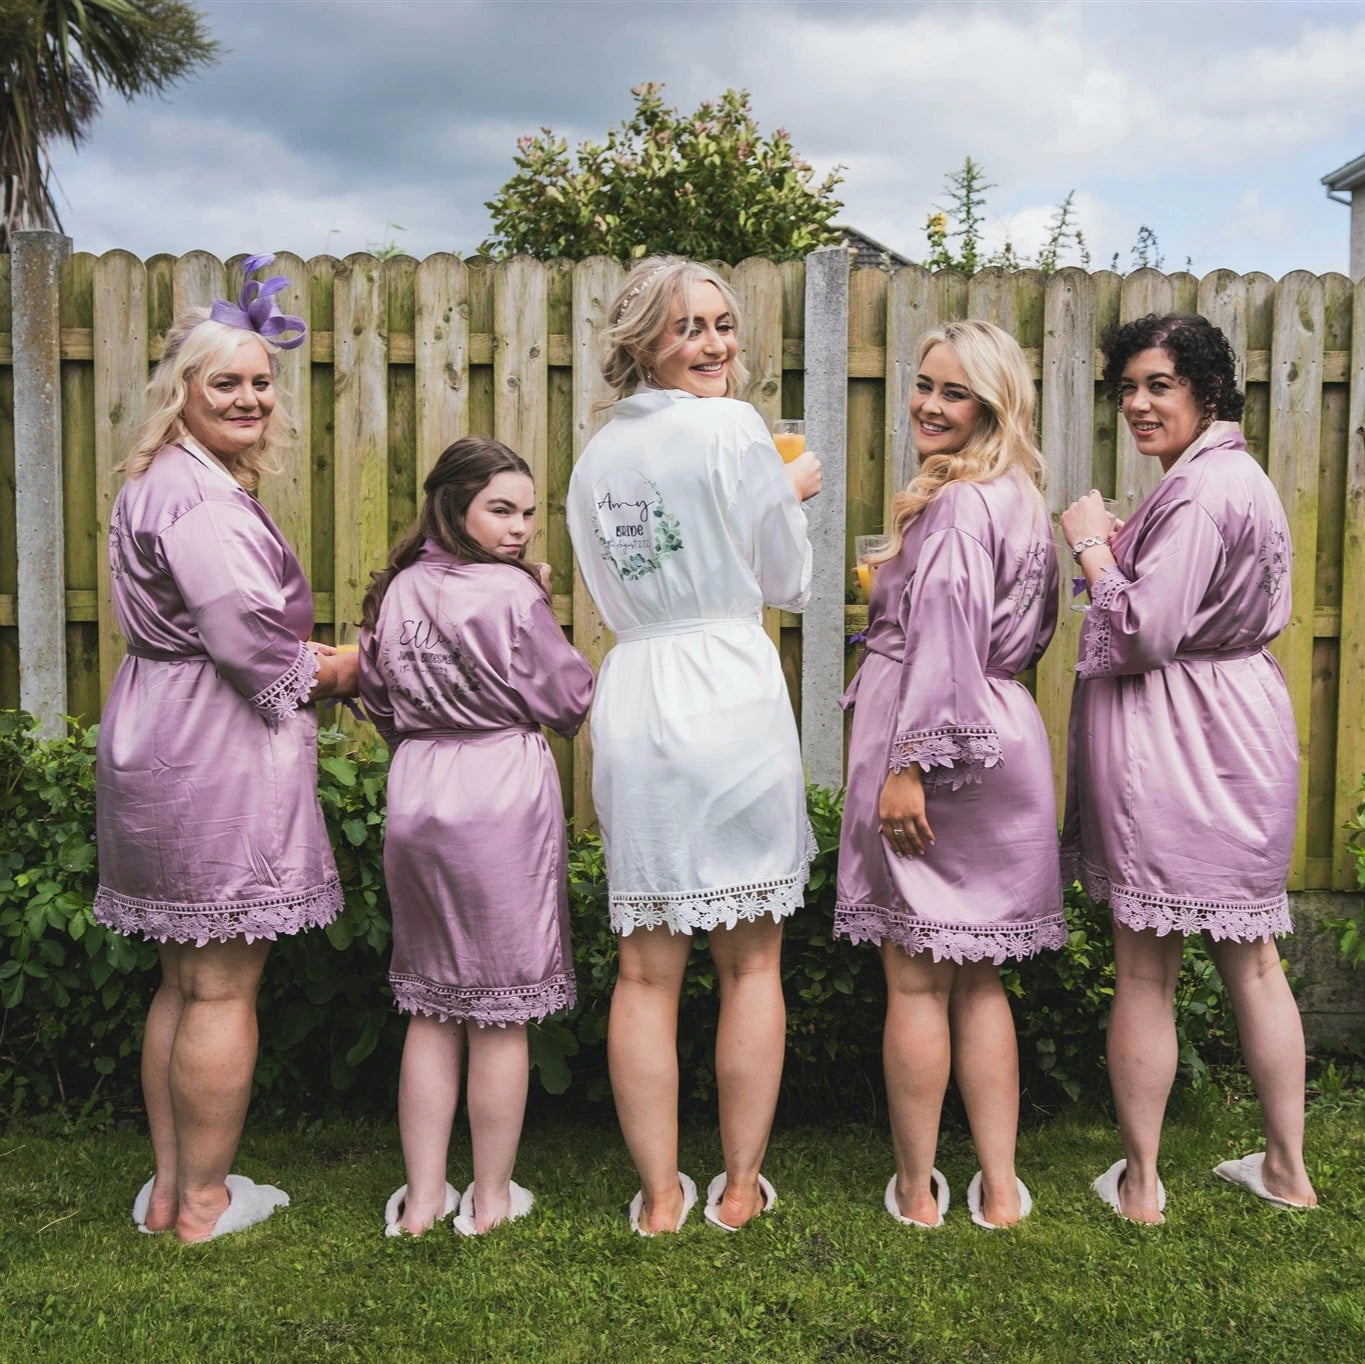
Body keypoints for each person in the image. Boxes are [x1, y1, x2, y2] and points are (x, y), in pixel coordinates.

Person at [93, 256, 358, 1242]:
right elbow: (252, 645)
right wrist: (339, 667)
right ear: (184, 394)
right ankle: (203, 1200)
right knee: (218, 982)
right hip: (208, 745)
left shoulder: (161, 480)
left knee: (180, 976)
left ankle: (167, 1188)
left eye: (260, 381)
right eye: (226, 383)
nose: (249, 397)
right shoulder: (200, 500)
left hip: (156, 731)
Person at [565, 256, 821, 1234]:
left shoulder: (595, 458)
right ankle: (740, 1183)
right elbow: (786, 578)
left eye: (723, 324)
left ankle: (662, 1194)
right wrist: (789, 487)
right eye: (690, 328)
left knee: (645, 965)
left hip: (637, 692)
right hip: (728, 683)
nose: (715, 345)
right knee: (752, 961)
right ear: (644, 343)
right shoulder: (735, 428)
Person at [1061, 312, 1318, 1222]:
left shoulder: (1202, 491)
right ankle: (1285, 1167)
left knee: (1145, 969)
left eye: (1157, 385)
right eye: (1125, 386)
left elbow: (1141, 633)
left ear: (1206, 388)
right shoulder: (1226, 478)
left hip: (1181, 738)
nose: (1135, 402)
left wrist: (1092, 542)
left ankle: (1138, 1185)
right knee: (1253, 961)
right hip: (1239, 725)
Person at [835, 320, 1065, 1230]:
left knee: (918, 980)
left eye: (954, 393)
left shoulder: (963, 509)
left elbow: (940, 645)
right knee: (979, 977)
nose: (929, 405)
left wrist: (905, 766)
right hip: (1002, 727)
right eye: (923, 384)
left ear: (993, 406)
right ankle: (1001, 1189)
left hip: (931, 744)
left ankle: (919, 1189)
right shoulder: (1020, 499)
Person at [359, 438, 594, 1237]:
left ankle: (423, 1198)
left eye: (528, 513)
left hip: (418, 789)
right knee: (498, 1011)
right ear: (452, 504)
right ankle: (488, 1198)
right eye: (501, 509)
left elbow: (377, 695)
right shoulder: (511, 594)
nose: (520, 527)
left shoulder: (396, 590)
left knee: (430, 1003)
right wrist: (541, 609)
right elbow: (566, 699)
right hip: (497, 789)